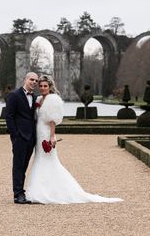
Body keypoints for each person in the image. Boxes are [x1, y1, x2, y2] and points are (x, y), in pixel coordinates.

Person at [26, 75, 123, 204]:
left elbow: (53, 120)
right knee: (39, 159)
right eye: (41, 86)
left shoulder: (53, 99)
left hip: (46, 133)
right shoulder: (38, 99)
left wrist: (52, 136)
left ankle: (50, 192)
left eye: (45, 86)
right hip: (38, 134)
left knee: (49, 161)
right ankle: (41, 190)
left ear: (50, 87)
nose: (43, 88)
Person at [5, 72, 39, 204]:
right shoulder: (14, 95)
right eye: (32, 79)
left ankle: (21, 191)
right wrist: (15, 135)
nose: (34, 82)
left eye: (36, 81)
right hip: (20, 137)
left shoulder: (35, 98)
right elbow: (9, 116)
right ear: (25, 79)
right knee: (18, 166)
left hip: (31, 138)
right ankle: (17, 194)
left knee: (24, 166)